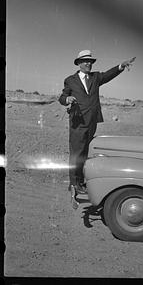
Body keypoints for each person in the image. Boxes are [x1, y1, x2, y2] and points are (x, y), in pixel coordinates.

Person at [58, 50, 136, 198]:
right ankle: (74, 184)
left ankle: (79, 182)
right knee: (76, 152)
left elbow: (109, 74)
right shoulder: (70, 80)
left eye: (91, 61)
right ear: (79, 63)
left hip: (92, 120)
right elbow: (62, 97)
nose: (89, 63)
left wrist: (121, 66)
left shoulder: (96, 77)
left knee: (85, 151)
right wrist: (67, 100)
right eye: (86, 61)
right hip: (78, 121)